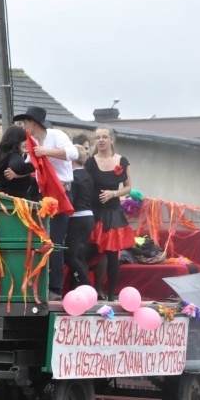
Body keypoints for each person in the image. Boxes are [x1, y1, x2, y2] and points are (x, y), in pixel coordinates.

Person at [12, 106, 78, 301]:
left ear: (33, 122)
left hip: (60, 192)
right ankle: (41, 284)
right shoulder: (32, 142)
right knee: (42, 240)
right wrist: (17, 171)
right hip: (44, 194)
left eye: (25, 123)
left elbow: (73, 153)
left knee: (55, 240)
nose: (24, 127)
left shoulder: (56, 135)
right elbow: (31, 164)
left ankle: (56, 288)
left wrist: (45, 151)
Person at [84, 125, 134, 301]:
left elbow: (128, 187)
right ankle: (90, 289)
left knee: (113, 255)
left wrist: (113, 193)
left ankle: (111, 294)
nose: (101, 140)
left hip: (112, 212)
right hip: (94, 212)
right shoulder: (90, 162)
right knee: (88, 252)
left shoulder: (122, 161)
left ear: (112, 140)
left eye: (104, 137)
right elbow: (84, 184)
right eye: (98, 138)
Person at [64, 140, 95, 289]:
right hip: (88, 217)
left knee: (69, 254)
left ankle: (84, 283)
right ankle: (78, 285)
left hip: (77, 218)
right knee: (78, 253)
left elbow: (71, 200)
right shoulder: (87, 176)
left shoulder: (73, 177)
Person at [0, 126, 35, 198]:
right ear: (16, 141)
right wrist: (37, 165)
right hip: (13, 201)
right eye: (24, 140)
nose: (26, 143)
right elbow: (19, 167)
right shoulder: (14, 155)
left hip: (0, 198)